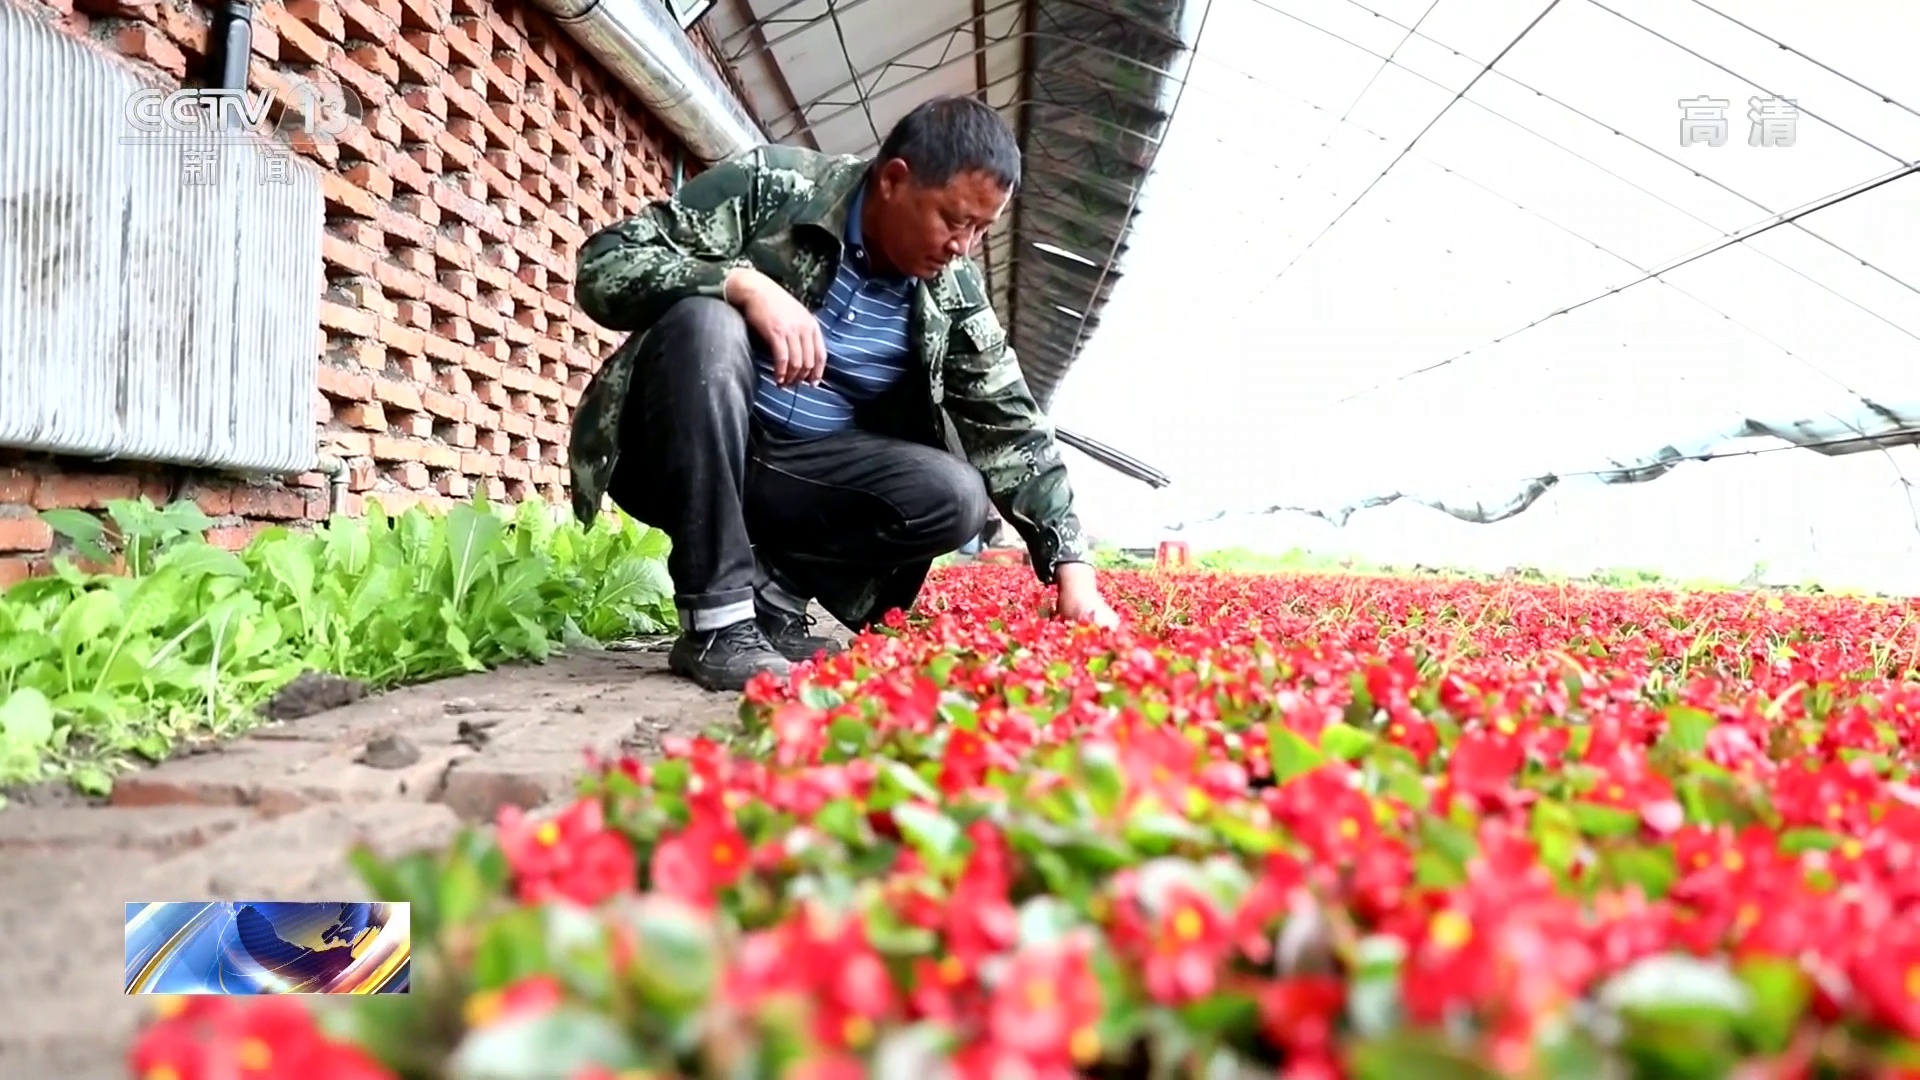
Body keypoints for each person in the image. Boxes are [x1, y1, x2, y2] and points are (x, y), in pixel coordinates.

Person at [565, 95, 1119, 692]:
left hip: (799, 475)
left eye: (982, 229)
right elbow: (604, 264)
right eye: (954, 219)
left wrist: (1073, 567)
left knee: (954, 495)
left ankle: (770, 603)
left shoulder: (952, 292)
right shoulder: (776, 187)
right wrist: (736, 284)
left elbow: (1012, 426)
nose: (964, 245)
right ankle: (718, 625)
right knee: (708, 323)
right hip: (676, 443)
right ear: (894, 180)